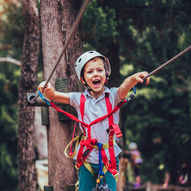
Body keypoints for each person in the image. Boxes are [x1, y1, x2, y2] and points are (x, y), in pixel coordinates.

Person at [38, 50, 150, 191]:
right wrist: (46, 88)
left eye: (99, 70)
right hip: (87, 159)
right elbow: (54, 96)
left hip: (109, 158)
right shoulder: (78, 99)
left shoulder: (114, 96)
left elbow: (125, 86)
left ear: (106, 74)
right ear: (83, 79)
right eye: (90, 72)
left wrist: (134, 78)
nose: (96, 74)